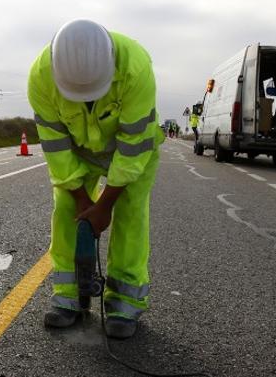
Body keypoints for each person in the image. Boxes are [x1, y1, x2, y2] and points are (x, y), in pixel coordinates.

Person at [27, 19, 164, 339]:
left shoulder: (136, 68)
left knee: (130, 215)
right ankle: (69, 296)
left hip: (131, 149)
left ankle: (124, 301)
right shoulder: (40, 77)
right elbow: (56, 147)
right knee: (66, 212)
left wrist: (104, 205)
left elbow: (132, 149)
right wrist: (82, 200)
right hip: (78, 150)